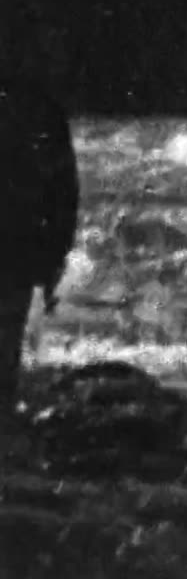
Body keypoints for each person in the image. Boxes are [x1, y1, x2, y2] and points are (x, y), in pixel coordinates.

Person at [0, 74, 79, 451]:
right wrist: (51, 267)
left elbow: (62, 193)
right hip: (16, 254)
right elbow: (64, 196)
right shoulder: (40, 107)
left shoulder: (41, 109)